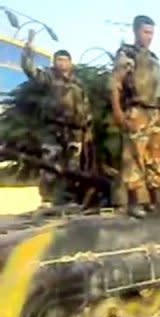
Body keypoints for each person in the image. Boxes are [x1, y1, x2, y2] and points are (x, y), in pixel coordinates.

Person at [21, 32, 94, 206]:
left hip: (74, 131)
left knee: (72, 167)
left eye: (64, 59)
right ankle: (46, 199)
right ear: (54, 63)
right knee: (49, 163)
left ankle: (68, 199)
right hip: (52, 129)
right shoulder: (48, 78)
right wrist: (29, 49)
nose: (61, 63)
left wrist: (87, 131)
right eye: (58, 59)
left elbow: (86, 108)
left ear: (70, 63)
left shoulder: (78, 84)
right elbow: (29, 69)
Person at [111, 15, 160, 218]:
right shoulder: (127, 54)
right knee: (134, 156)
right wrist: (118, 111)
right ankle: (134, 202)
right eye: (145, 32)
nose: (149, 36)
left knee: (156, 157)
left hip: (155, 111)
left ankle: (156, 199)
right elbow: (115, 84)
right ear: (135, 31)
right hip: (137, 110)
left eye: (151, 32)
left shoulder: (153, 57)